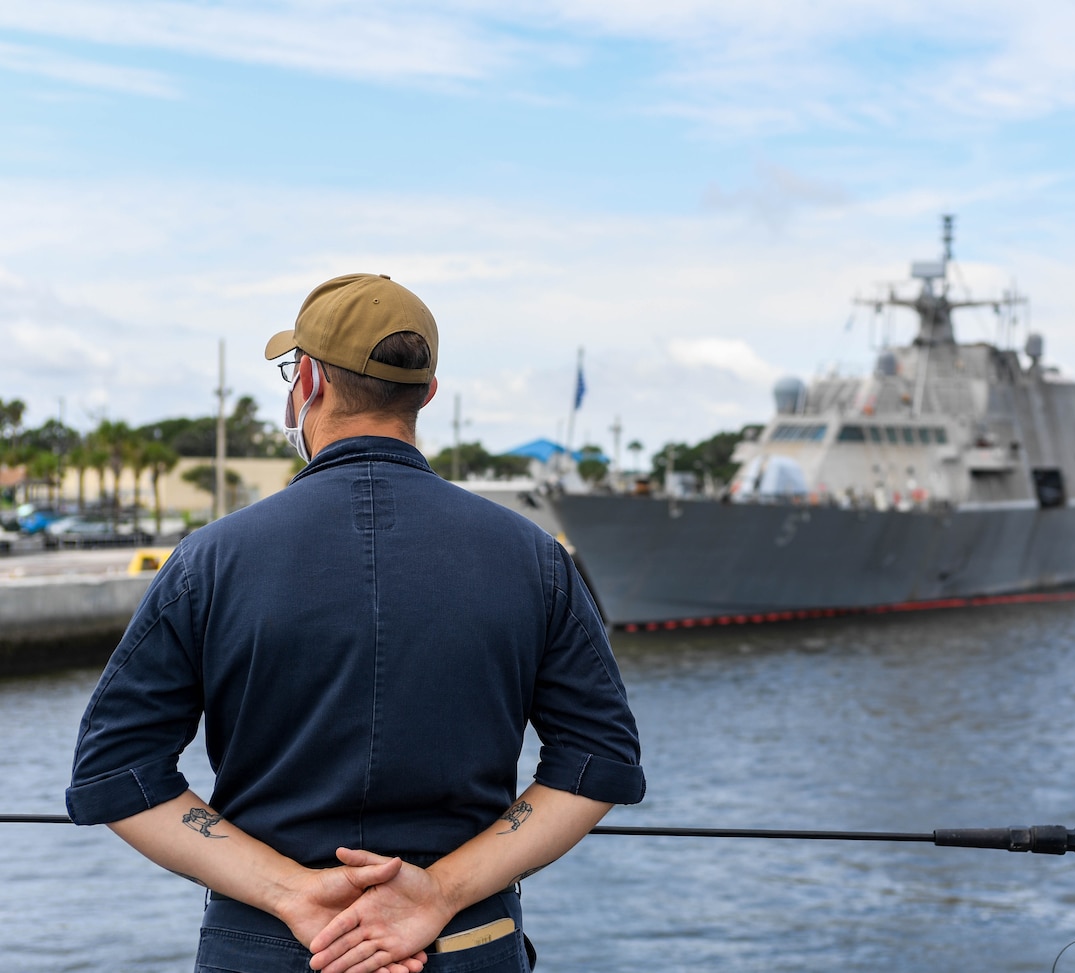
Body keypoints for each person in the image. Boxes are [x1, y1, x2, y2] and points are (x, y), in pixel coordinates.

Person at [68, 273, 645, 973]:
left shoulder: (210, 559)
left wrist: (295, 893)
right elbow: (598, 763)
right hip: (462, 944)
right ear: (426, 393)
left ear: (307, 381)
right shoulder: (534, 558)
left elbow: (115, 770)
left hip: (272, 949)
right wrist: (436, 892)